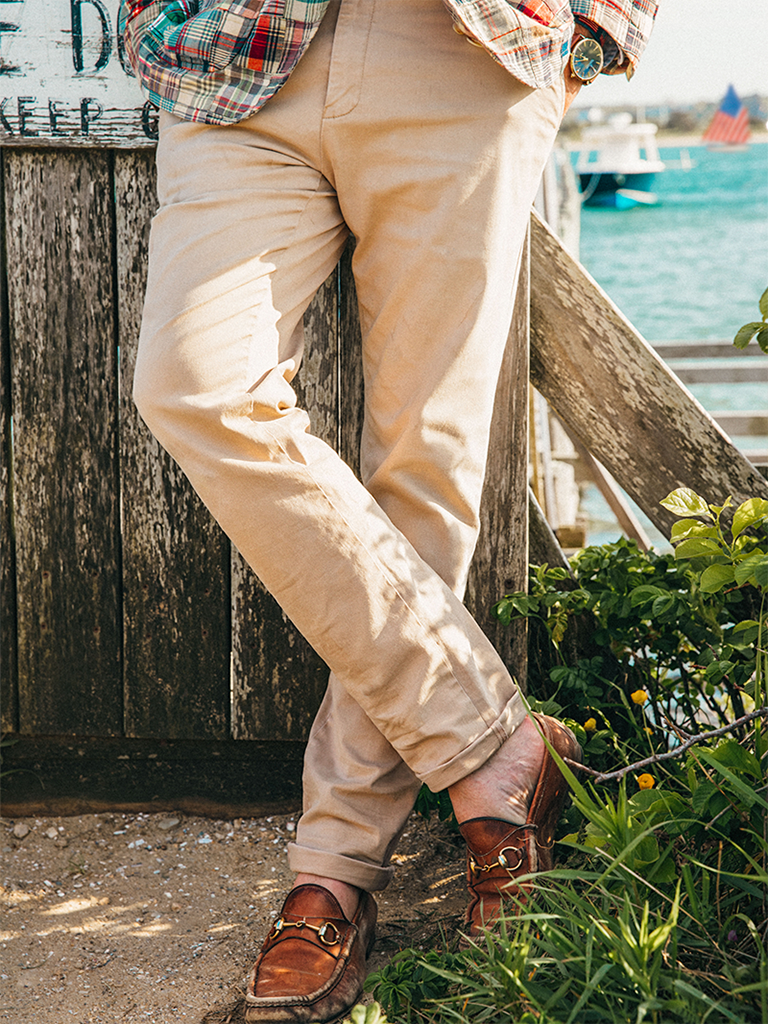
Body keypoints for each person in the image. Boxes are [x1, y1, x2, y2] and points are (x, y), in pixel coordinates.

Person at [120, 0, 657, 1019]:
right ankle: (496, 745)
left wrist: (596, 33)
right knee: (197, 385)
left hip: (466, 49)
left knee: (426, 460)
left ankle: (334, 868)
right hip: (238, 50)